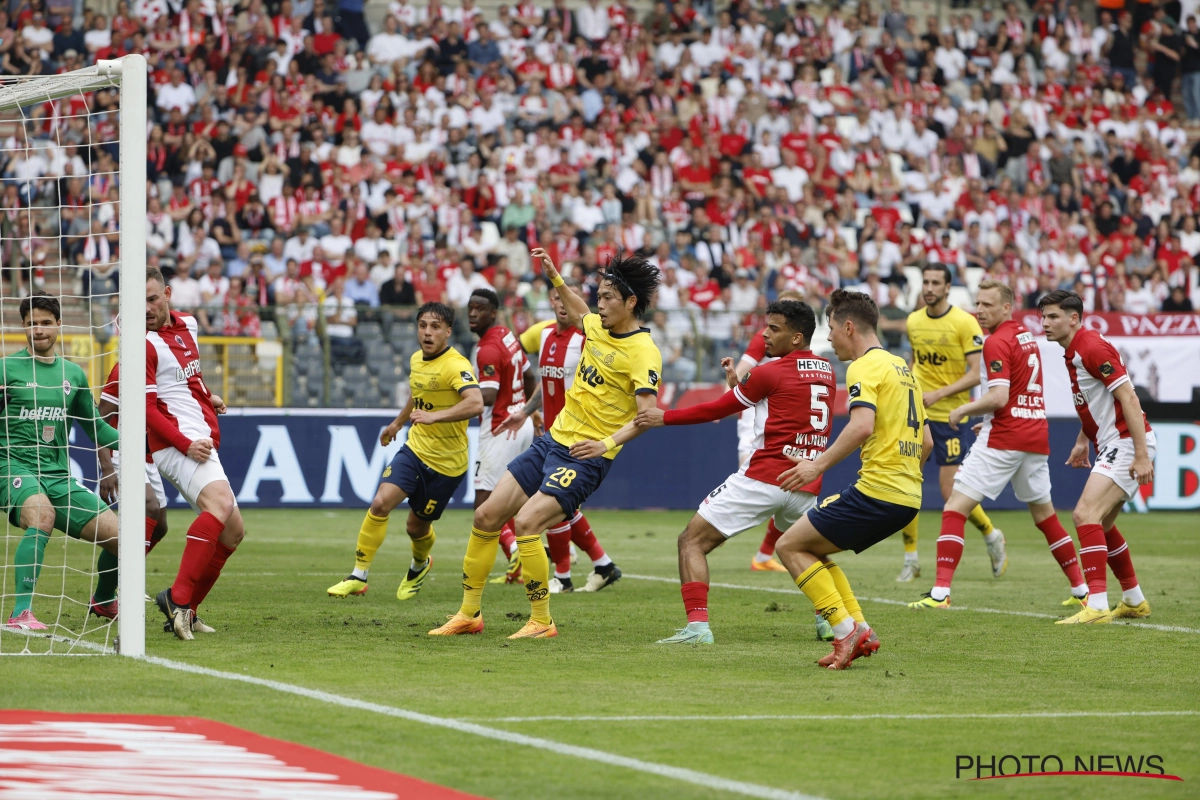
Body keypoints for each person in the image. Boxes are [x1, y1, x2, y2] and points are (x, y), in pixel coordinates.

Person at [430, 248, 661, 639]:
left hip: (585, 456)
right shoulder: (597, 327)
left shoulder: (643, 352)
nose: (599, 305)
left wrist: (605, 445)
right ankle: (469, 614)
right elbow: (576, 306)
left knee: (526, 523)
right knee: (486, 516)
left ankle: (541, 621)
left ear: (631, 302)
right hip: (552, 440)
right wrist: (554, 275)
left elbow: (647, 416)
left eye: (607, 298)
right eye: (599, 297)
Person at [636, 300, 837, 645]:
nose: (764, 334)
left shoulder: (769, 372)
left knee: (691, 541)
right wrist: (740, 382)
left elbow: (719, 408)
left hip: (765, 476)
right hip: (806, 482)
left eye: (774, 328)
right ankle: (831, 621)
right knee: (812, 552)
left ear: (797, 336)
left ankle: (698, 629)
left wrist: (663, 417)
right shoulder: (827, 371)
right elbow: (783, 402)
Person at [774, 290, 934, 670]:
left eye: (831, 328)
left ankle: (846, 632)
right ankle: (860, 629)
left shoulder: (865, 366)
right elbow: (926, 441)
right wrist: (905, 477)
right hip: (907, 497)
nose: (828, 338)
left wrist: (815, 466)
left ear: (849, 327)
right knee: (813, 547)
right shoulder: (903, 369)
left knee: (788, 546)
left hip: (878, 492)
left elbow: (861, 426)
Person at [908, 281, 1087, 609]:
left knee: (954, 508)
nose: (980, 310)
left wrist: (962, 409)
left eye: (988, 305)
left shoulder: (995, 341)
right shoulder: (1025, 337)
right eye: (978, 303)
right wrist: (989, 418)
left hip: (1005, 437)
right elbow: (1017, 392)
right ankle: (1081, 590)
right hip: (1034, 435)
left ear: (1007, 307)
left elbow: (999, 395)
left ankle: (940, 593)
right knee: (1046, 517)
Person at [327, 303, 483, 601]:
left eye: (435, 327)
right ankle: (358, 575)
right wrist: (397, 423)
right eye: (423, 325)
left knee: (416, 527)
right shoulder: (416, 360)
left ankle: (420, 564)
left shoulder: (456, 365)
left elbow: (475, 403)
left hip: (447, 464)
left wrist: (436, 416)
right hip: (415, 449)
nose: (427, 332)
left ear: (448, 332)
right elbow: (418, 393)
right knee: (380, 502)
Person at [1, 294, 122, 631]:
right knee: (41, 514)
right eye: (30, 324)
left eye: (44, 323)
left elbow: (96, 430)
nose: (38, 330)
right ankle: (19, 614)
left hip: (58, 476)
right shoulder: (5, 369)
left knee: (123, 538)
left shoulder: (74, 375)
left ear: (58, 325)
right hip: (13, 468)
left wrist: (143, 441)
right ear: (23, 328)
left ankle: (103, 599)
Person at [1038, 290, 1154, 624]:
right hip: (1114, 440)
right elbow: (1093, 402)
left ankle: (1098, 604)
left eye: (1054, 317)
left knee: (1084, 514)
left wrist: (1142, 454)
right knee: (1101, 523)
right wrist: (1082, 440)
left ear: (1073, 319)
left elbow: (1129, 399)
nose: (1046, 323)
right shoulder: (1074, 349)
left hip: (1127, 441)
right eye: (1044, 316)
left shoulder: (1090, 347)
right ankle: (1134, 599)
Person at [146, 268, 244, 641]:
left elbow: (190, 378)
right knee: (219, 505)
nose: (147, 308)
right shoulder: (144, 345)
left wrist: (208, 396)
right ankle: (179, 604)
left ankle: (184, 605)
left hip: (199, 437)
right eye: (139, 303)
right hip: (175, 443)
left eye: (153, 299)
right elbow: (149, 410)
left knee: (233, 532)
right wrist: (184, 444)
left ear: (168, 294)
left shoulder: (188, 325)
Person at [507, 278, 621, 593]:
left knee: (549, 500)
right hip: (551, 434)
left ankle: (563, 576)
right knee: (562, 506)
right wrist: (528, 410)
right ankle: (603, 564)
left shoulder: (588, 339)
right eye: (555, 299)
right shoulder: (541, 334)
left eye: (565, 299)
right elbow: (535, 372)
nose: (560, 304)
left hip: (577, 436)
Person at [899, 264, 1004, 583]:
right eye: (925, 282)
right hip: (918, 412)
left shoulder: (964, 322)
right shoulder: (913, 320)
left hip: (951, 415)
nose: (929, 288)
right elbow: (916, 362)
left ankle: (991, 535)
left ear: (948, 288)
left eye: (935, 283)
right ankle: (911, 559)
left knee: (950, 492)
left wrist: (939, 393)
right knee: (906, 482)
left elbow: (976, 373)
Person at [729, 289, 805, 572]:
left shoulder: (797, 341)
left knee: (787, 486)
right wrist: (726, 400)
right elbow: (744, 372)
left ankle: (763, 556)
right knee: (749, 476)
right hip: (754, 417)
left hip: (782, 420)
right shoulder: (765, 337)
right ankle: (716, 523)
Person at [466, 288, 537, 584]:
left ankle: (514, 550)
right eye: (470, 308)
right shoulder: (508, 335)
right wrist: (532, 409)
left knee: (483, 507)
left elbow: (488, 395)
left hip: (500, 429)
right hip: (522, 423)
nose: (473, 314)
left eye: (480, 309)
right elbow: (531, 377)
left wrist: (458, 391)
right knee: (508, 500)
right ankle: (519, 565)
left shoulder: (487, 349)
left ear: (493, 312)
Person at [95, 363, 174, 622]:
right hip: (121, 452)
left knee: (159, 527)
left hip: (148, 456)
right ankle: (128, 583)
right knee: (149, 507)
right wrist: (107, 467)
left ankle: (103, 596)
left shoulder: (163, 363)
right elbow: (99, 420)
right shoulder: (124, 370)